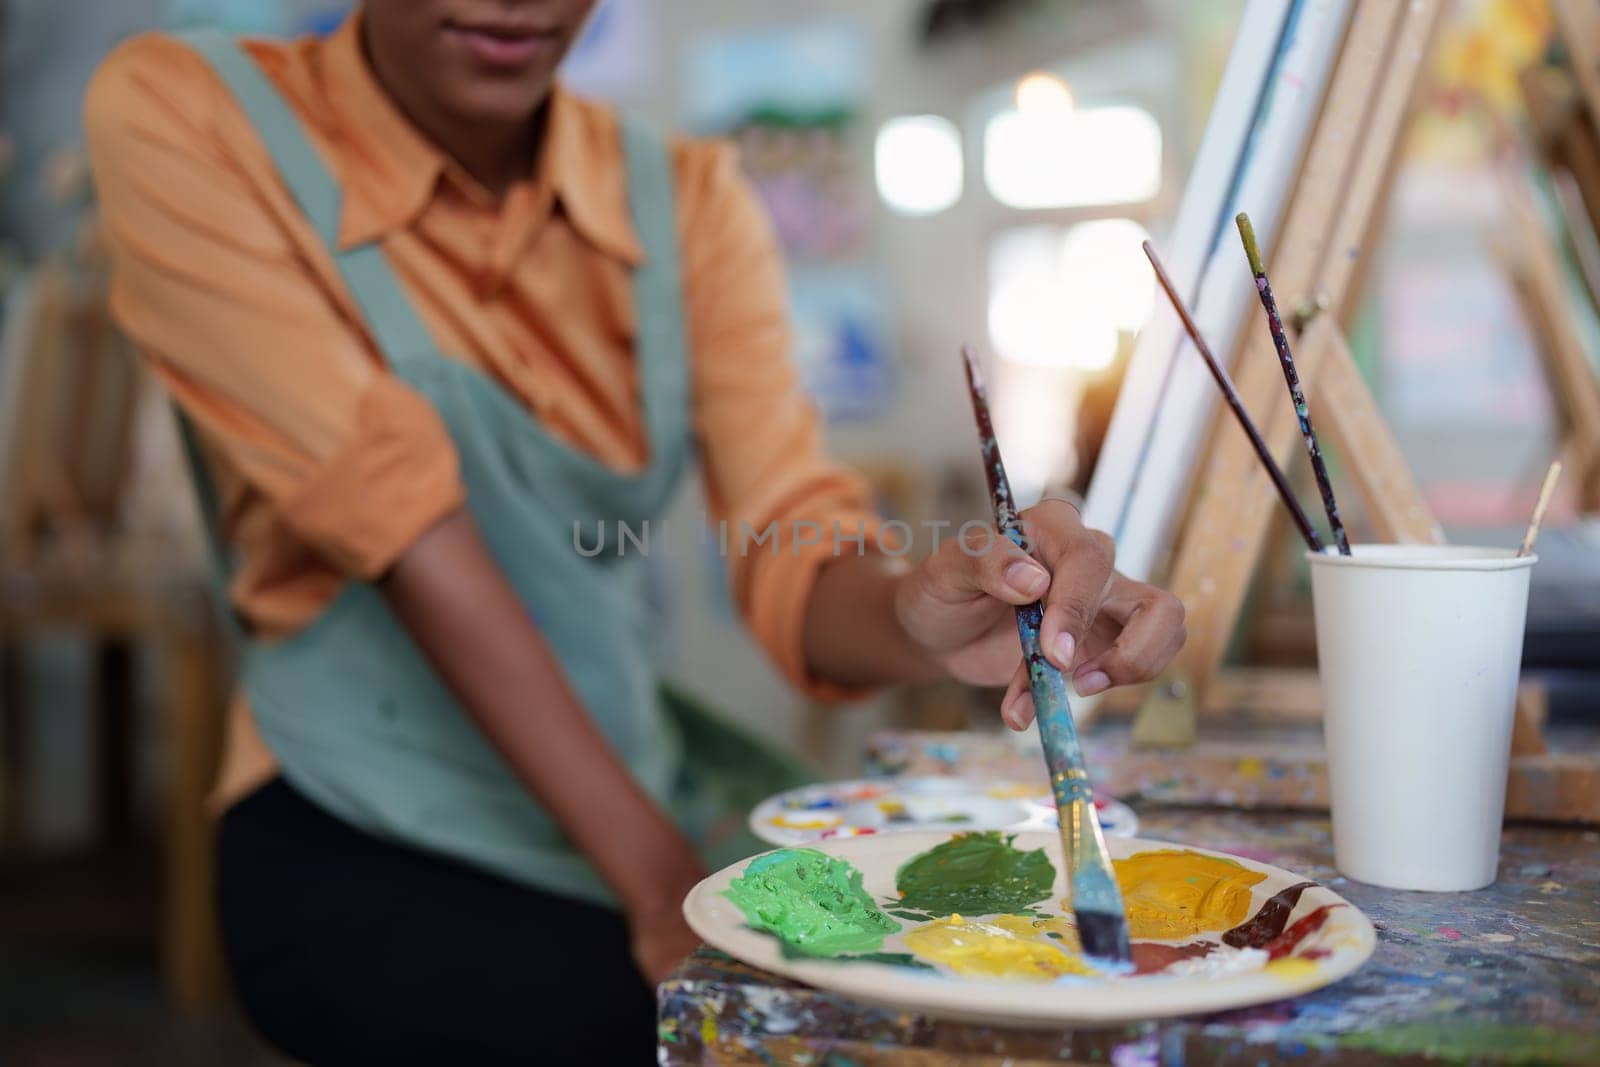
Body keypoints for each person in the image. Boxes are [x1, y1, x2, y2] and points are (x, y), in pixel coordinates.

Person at [85, 3, 1186, 1062]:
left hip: (639, 784)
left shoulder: (687, 199)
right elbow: (408, 532)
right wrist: (663, 888)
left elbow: (790, 546)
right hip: (362, 822)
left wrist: (927, 612)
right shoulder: (190, 112)